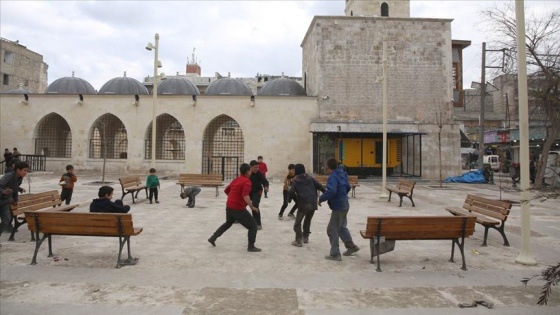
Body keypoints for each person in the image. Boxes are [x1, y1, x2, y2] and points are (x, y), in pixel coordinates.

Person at [208, 163, 262, 252]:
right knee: (253, 226)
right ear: (247, 172)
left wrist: (233, 198)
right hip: (238, 209)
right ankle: (251, 246)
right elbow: (245, 195)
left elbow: (226, 190)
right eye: (250, 170)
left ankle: (213, 238)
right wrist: (252, 207)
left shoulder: (236, 179)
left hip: (229, 206)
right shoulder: (247, 181)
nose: (251, 172)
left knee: (228, 223)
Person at [318, 158, 359, 261]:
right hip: (345, 204)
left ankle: (335, 254)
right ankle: (351, 247)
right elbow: (348, 187)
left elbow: (331, 191)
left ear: (328, 166)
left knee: (332, 229)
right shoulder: (342, 174)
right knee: (341, 227)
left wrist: (321, 199)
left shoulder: (333, 176)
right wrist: (342, 195)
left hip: (338, 206)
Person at [288, 163, 325, 247]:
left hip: (303, 203)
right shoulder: (311, 178)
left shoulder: (296, 181)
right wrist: (324, 197)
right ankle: (305, 237)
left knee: (297, 223)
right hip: (312, 203)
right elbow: (321, 187)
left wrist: (292, 199)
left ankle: (298, 240)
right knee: (308, 220)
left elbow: (290, 191)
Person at [0, 161, 29, 233]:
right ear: (18, 170)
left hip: (5, 201)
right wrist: (3, 191)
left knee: (6, 219)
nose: (26, 172)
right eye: (24, 170)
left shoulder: (19, 178)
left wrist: (15, 200)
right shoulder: (8, 176)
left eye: (27, 171)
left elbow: (15, 189)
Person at [249, 160, 269, 230]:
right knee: (239, 203)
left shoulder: (259, 174)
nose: (257, 169)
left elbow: (265, 181)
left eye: (258, 167)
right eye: (255, 167)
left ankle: (257, 223)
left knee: (255, 205)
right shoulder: (247, 173)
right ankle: (238, 218)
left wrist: (266, 186)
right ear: (250, 167)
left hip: (257, 192)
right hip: (248, 192)